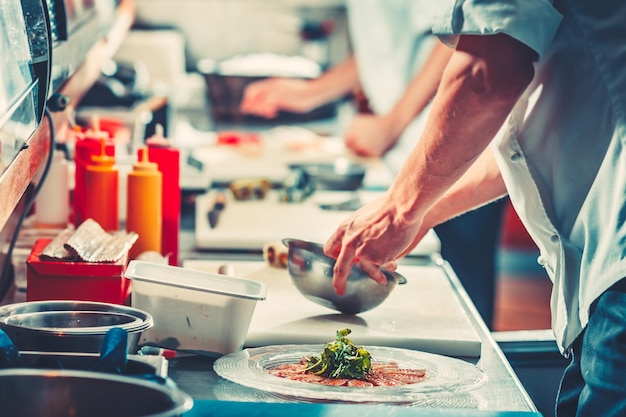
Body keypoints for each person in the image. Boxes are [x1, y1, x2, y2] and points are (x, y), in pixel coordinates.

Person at [323, 1, 626, 416]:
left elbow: (485, 77)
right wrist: (419, 215)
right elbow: (519, 139)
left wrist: (399, 210)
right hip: (601, 276)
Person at [240, 0, 506, 328]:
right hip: (415, 153)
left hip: (458, 147)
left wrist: (392, 126)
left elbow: (471, 40)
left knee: (461, 315)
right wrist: (312, 92)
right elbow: (387, 48)